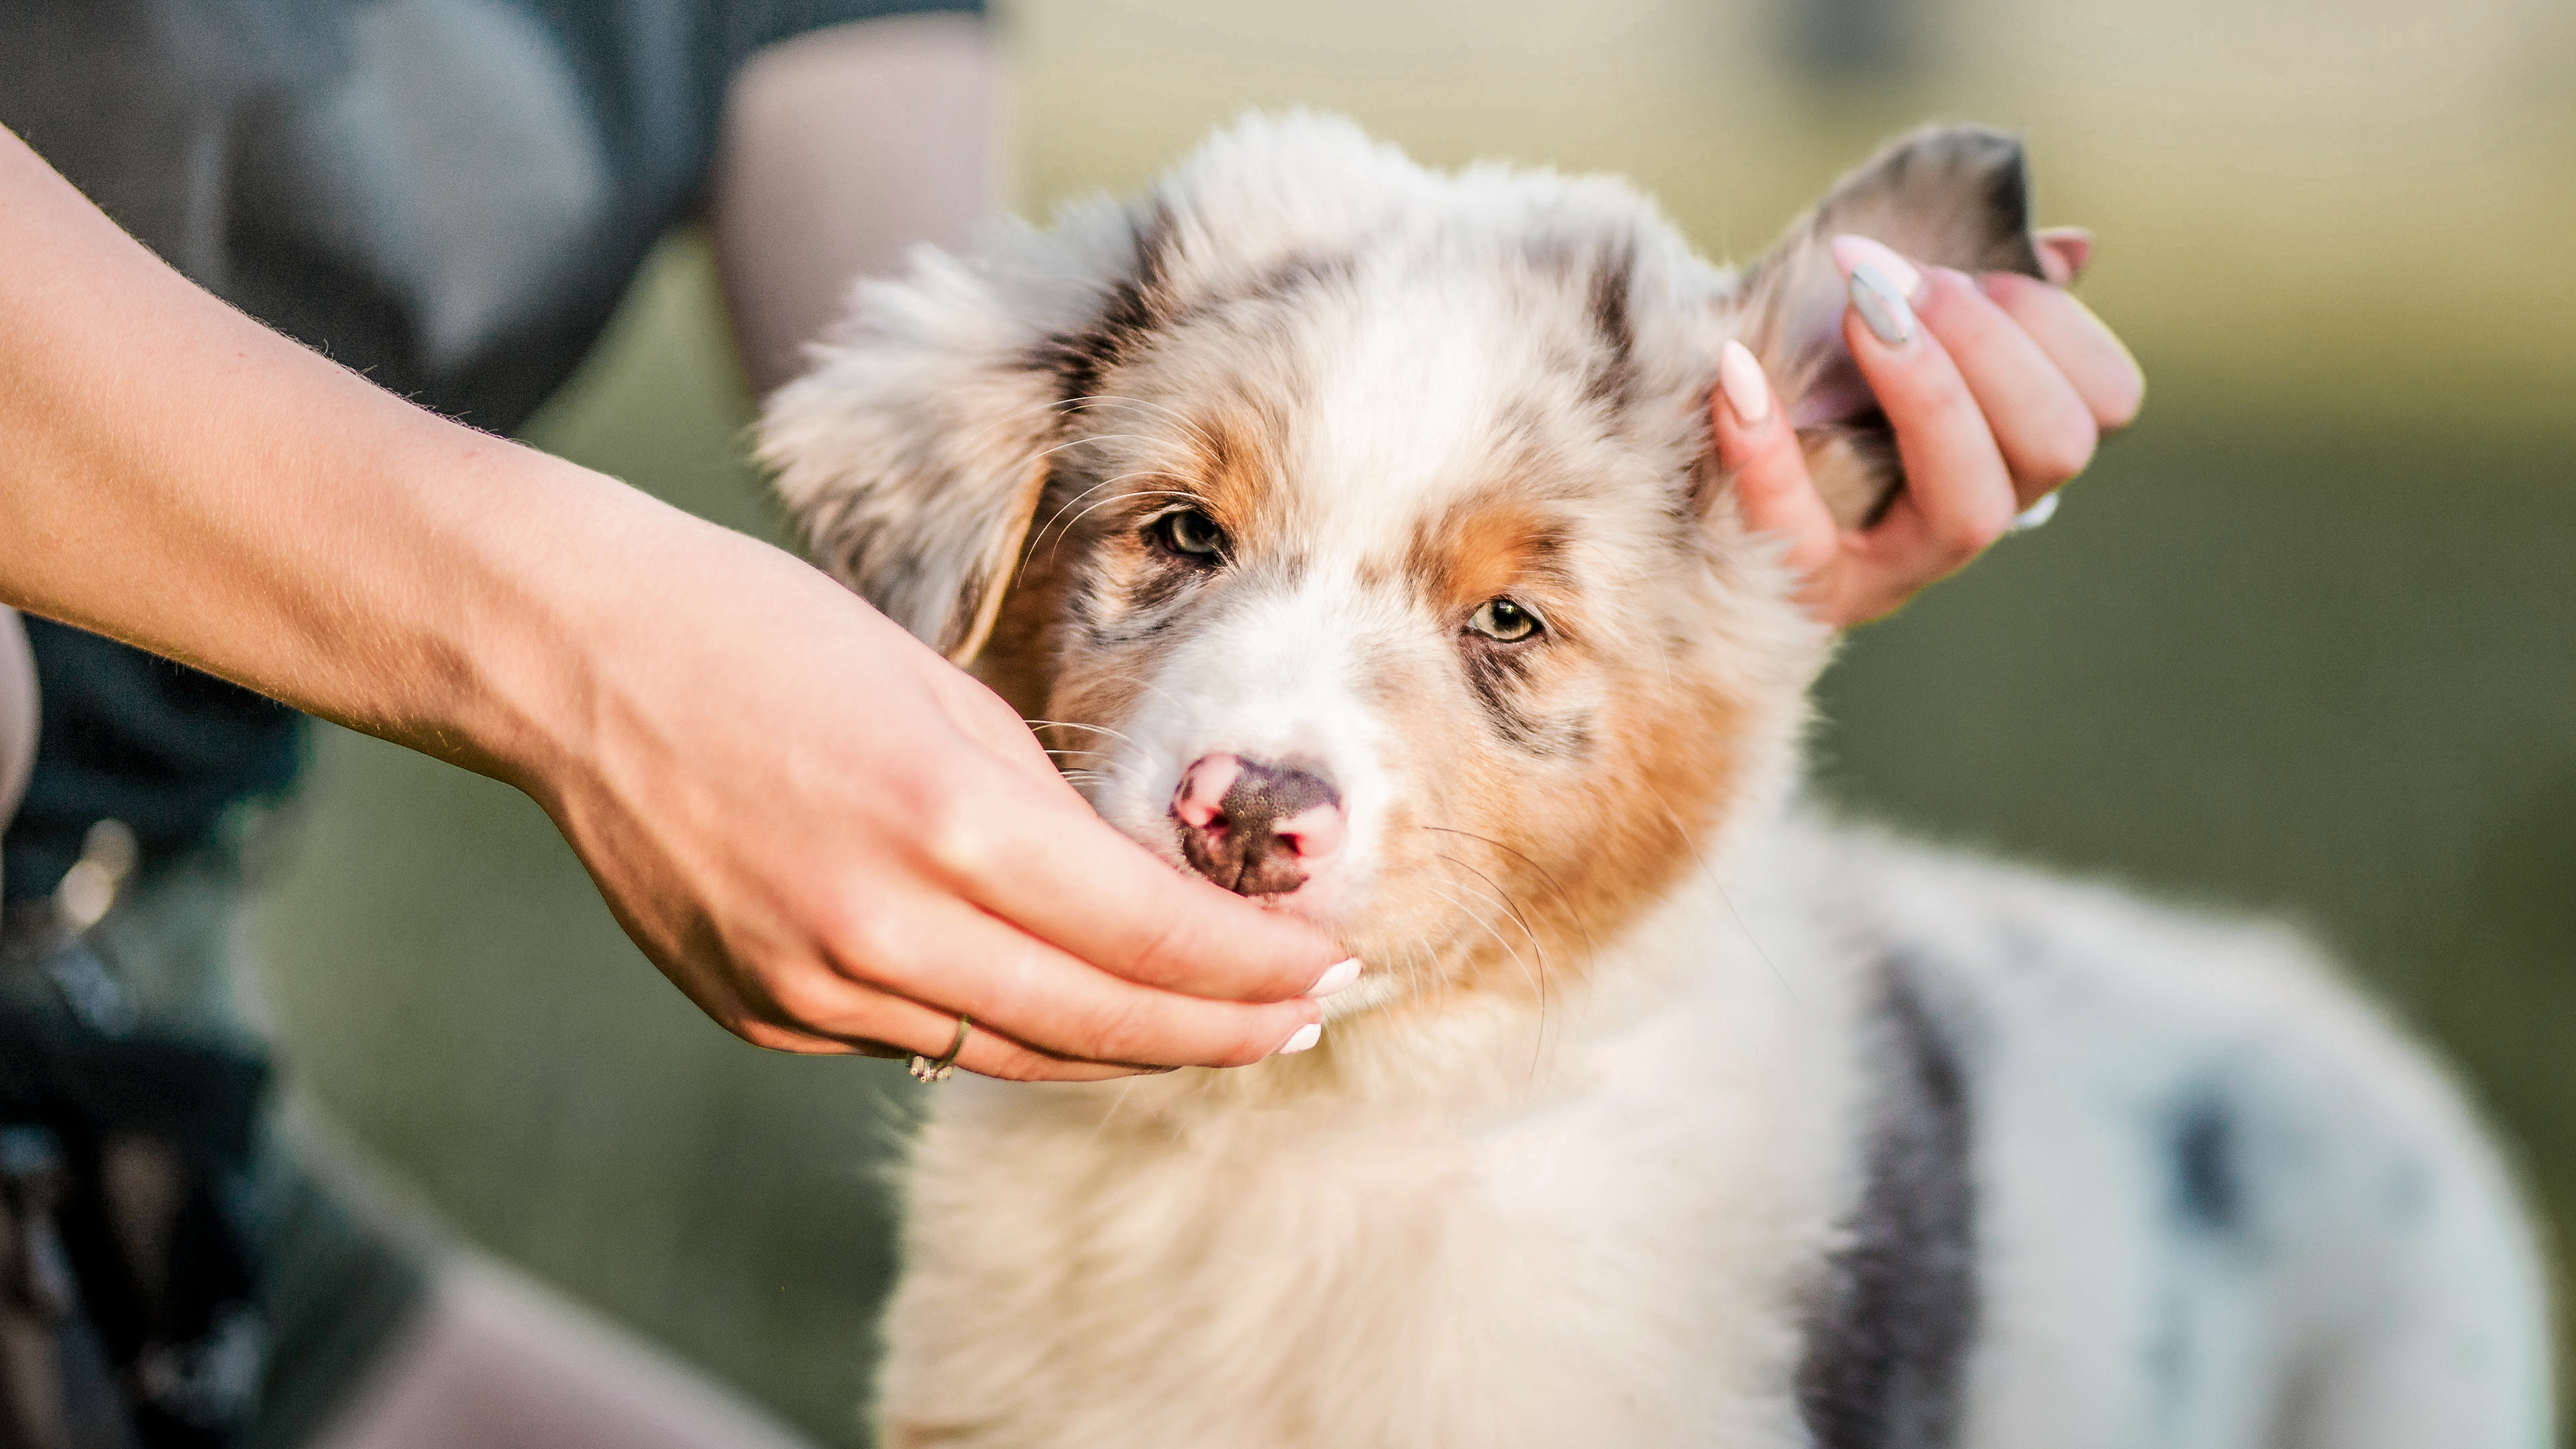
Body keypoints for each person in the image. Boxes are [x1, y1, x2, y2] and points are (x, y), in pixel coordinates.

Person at [0, 3, 2142, 1442]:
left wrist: (1706, 566)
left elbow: (998, 484)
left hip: (107, 1064)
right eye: (1199, 545)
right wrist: (575, 645)